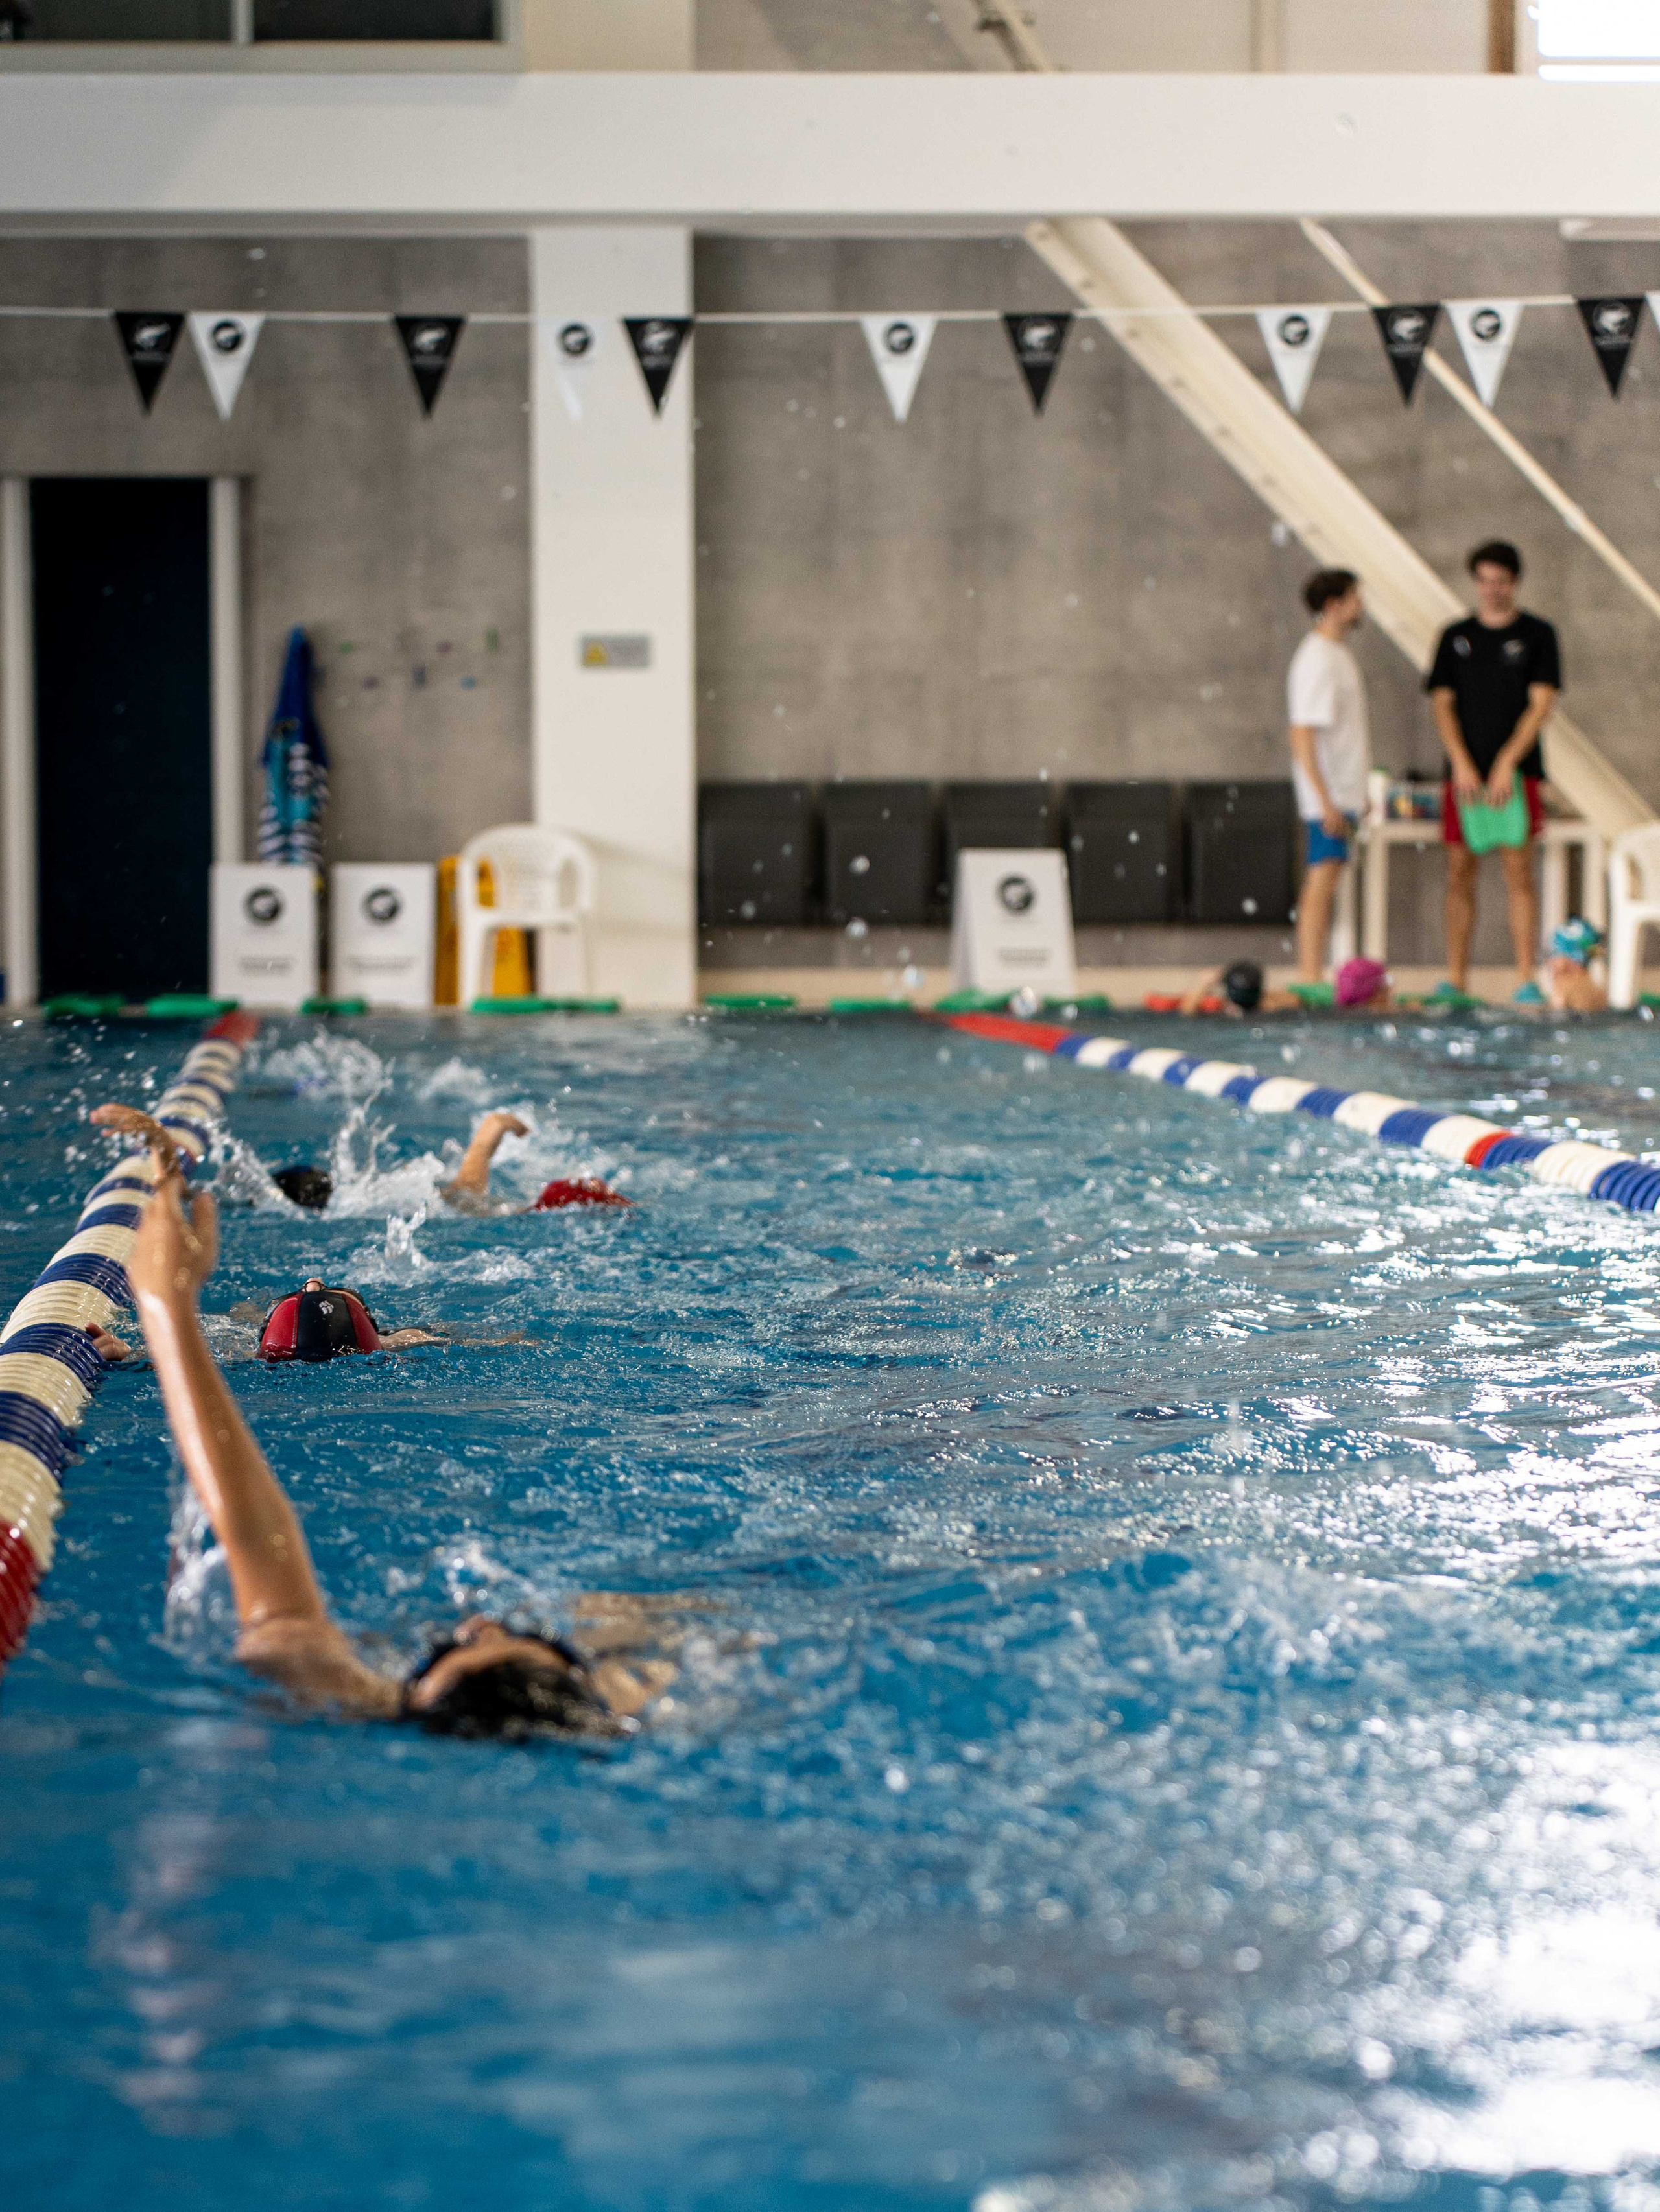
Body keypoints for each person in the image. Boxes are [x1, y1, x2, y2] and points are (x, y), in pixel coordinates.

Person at [112, 1134, 677, 1737]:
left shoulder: (334, 1684)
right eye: (543, 1644)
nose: (481, 1623)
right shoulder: (628, 1698)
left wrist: (165, 1304)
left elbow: (256, 1542)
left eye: (448, 1652)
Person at [1427, 541, 1561, 1005]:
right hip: (1464, 777)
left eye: (1501, 581)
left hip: (1517, 775)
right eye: (1484, 581)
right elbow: (1442, 705)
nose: (1492, 590)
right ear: (1476, 582)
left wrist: (1506, 762)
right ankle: (1456, 978)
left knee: (1519, 874)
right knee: (1459, 873)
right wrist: (1462, 762)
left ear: (1515, 582)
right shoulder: (1455, 637)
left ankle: (1526, 977)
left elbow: (1541, 706)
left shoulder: (1538, 634)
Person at [270, 1109, 630, 1217]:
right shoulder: (417, 1191)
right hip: (549, 1205)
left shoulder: (372, 1204)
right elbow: (483, 1146)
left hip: (540, 1210)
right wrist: (502, 1123)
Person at [1288, 569, 1370, 987]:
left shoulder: (1338, 654)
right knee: (1321, 878)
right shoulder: (1317, 658)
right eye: (1355, 597)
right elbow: (1301, 733)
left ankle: (1317, 973)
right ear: (1335, 605)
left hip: (1343, 792)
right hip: (1329, 795)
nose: (1361, 605)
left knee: (1329, 876)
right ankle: (1309, 974)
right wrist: (1324, 799)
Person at [1177, 960, 1301, 1017]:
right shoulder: (1268, 1005)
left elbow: (1187, 1010)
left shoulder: (1221, 1008)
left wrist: (1206, 984)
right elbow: (1295, 999)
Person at [1543, 917, 1608, 1013]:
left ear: (1573, 959)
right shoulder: (1598, 992)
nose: (1550, 962)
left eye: (1554, 954)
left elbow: (1559, 1016)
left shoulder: (1563, 988)